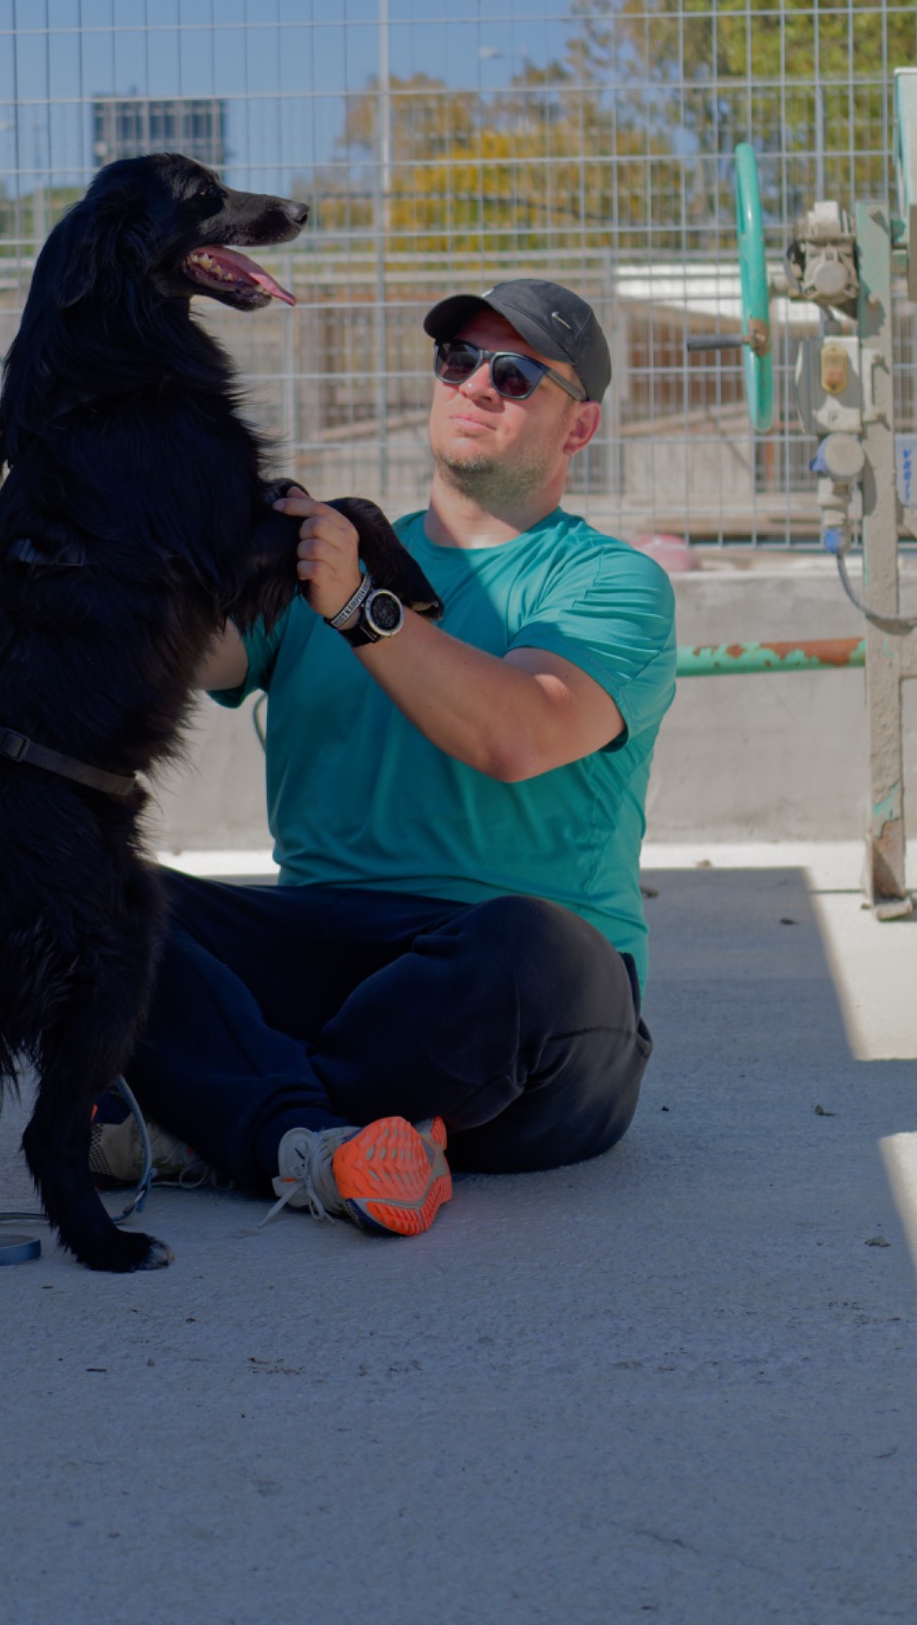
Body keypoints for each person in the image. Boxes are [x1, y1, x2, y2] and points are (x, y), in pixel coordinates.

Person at [92, 278, 676, 1239]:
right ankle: (308, 1140)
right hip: (322, 950)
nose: (475, 384)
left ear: (579, 427)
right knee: (84, 892)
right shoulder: (320, 556)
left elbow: (519, 732)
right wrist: (161, 500)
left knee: (529, 949)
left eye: (516, 375)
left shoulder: (610, 582)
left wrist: (362, 606)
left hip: (518, 1003)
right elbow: (170, 649)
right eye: (458, 360)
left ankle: (218, 1112)